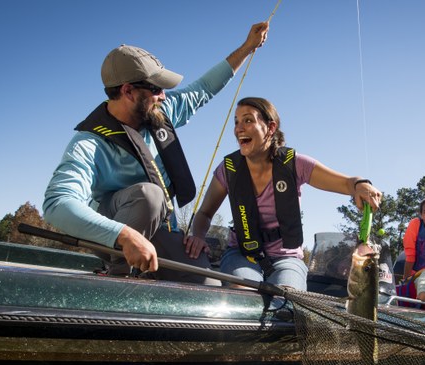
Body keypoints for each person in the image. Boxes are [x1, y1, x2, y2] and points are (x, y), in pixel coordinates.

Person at [43, 21, 269, 283]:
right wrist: (125, 235)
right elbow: (56, 204)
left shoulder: (161, 112)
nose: (163, 96)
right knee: (149, 195)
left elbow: (204, 89)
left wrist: (247, 47)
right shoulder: (88, 144)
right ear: (128, 91)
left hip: (158, 232)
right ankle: (118, 274)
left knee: (208, 283)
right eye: (156, 89)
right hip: (113, 235)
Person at [184, 97, 383, 307]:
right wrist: (198, 235)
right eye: (236, 122)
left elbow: (346, 184)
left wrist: (361, 184)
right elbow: (204, 213)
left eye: (248, 120)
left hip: (287, 258)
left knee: (286, 304)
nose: (239, 128)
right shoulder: (228, 169)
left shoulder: (295, 164)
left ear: (270, 127)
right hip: (241, 253)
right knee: (242, 300)